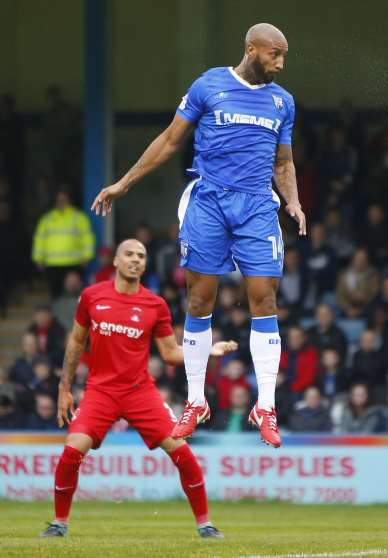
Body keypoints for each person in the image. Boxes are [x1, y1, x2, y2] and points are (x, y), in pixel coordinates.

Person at [90, 24, 305, 447]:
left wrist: (293, 201)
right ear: (252, 49)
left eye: (284, 56)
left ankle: (266, 405)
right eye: (274, 54)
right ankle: (195, 401)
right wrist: (124, 182)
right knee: (199, 299)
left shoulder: (283, 102)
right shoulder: (210, 85)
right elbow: (170, 141)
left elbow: (283, 163)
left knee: (265, 298)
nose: (280, 64)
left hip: (258, 206)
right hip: (208, 203)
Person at [40, 239, 236, 538]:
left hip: (139, 392)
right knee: (70, 453)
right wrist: (64, 388)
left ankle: (205, 524)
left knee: (182, 453)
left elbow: (170, 353)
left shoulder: (154, 304)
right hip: (100, 392)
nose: (135, 260)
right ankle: (59, 524)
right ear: (116, 261)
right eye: (129, 254)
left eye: (141, 256)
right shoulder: (92, 297)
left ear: (145, 265)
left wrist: (208, 349)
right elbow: (77, 342)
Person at [32, 190, 95, 298]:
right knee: (55, 295)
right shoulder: (47, 219)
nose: (61, 202)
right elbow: (39, 240)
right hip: (52, 264)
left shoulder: (79, 217)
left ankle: (74, 314)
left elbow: (87, 238)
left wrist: (87, 256)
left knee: (73, 294)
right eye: (58, 200)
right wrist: (38, 258)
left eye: (63, 199)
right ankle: (57, 314)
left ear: (69, 200)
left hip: (73, 263)